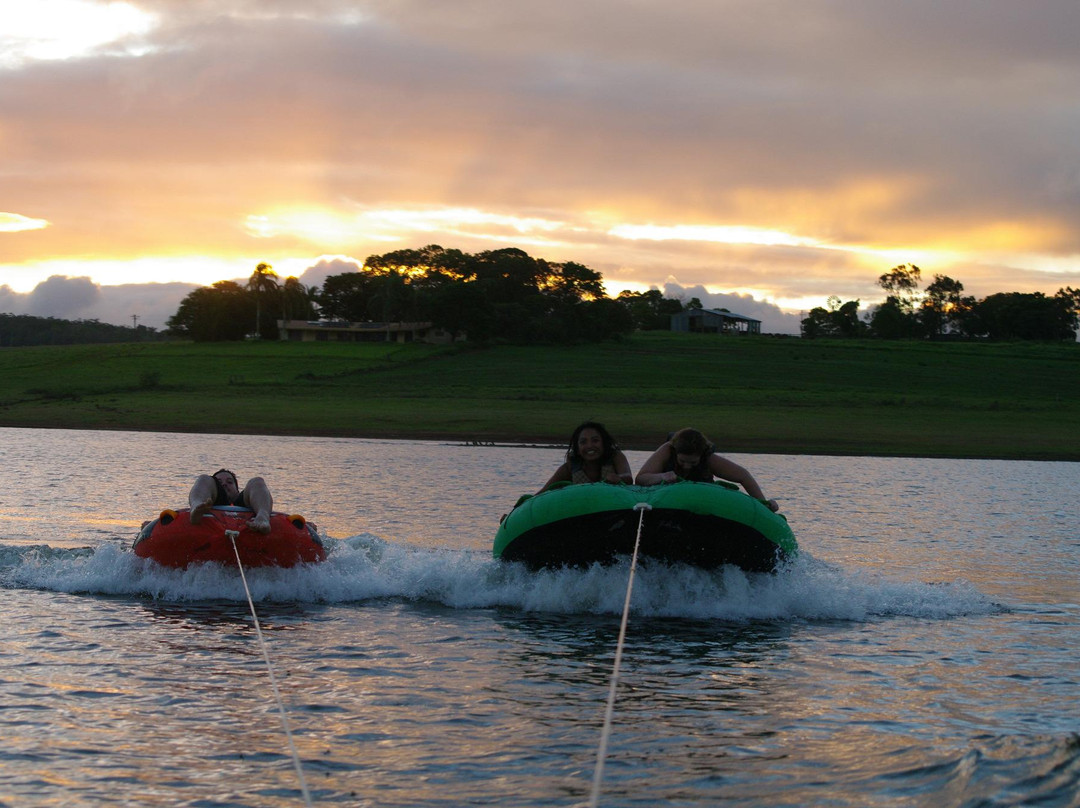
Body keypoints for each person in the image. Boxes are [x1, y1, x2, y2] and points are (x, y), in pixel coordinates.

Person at [635, 427, 779, 511]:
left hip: (701, 505)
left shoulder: (709, 458)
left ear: (701, 455)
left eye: (693, 462)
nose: (686, 466)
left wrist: (764, 504)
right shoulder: (667, 450)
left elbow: (743, 476)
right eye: (682, 461)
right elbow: (641, 478)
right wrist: (661, 477)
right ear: (676, 452)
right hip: (665, 502)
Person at [538, 421, 633, 493]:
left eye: (595, 440)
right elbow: (544, 492)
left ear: (604, 443)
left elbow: (628, 477)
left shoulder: (616, 457)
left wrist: (618, 478)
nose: (589, 446)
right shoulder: (570, 467)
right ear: (577, 449)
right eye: (583, 442)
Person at [188, 468, 273, 533]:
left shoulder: (242, 498)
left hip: (243, 507)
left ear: (237, 491)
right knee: (204, 478)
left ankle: (262, 517)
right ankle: (196, 507)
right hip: (211, 505)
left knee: (256, 481)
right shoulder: (211, 492)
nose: (224, 484)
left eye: (229, 482)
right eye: (219, 482)